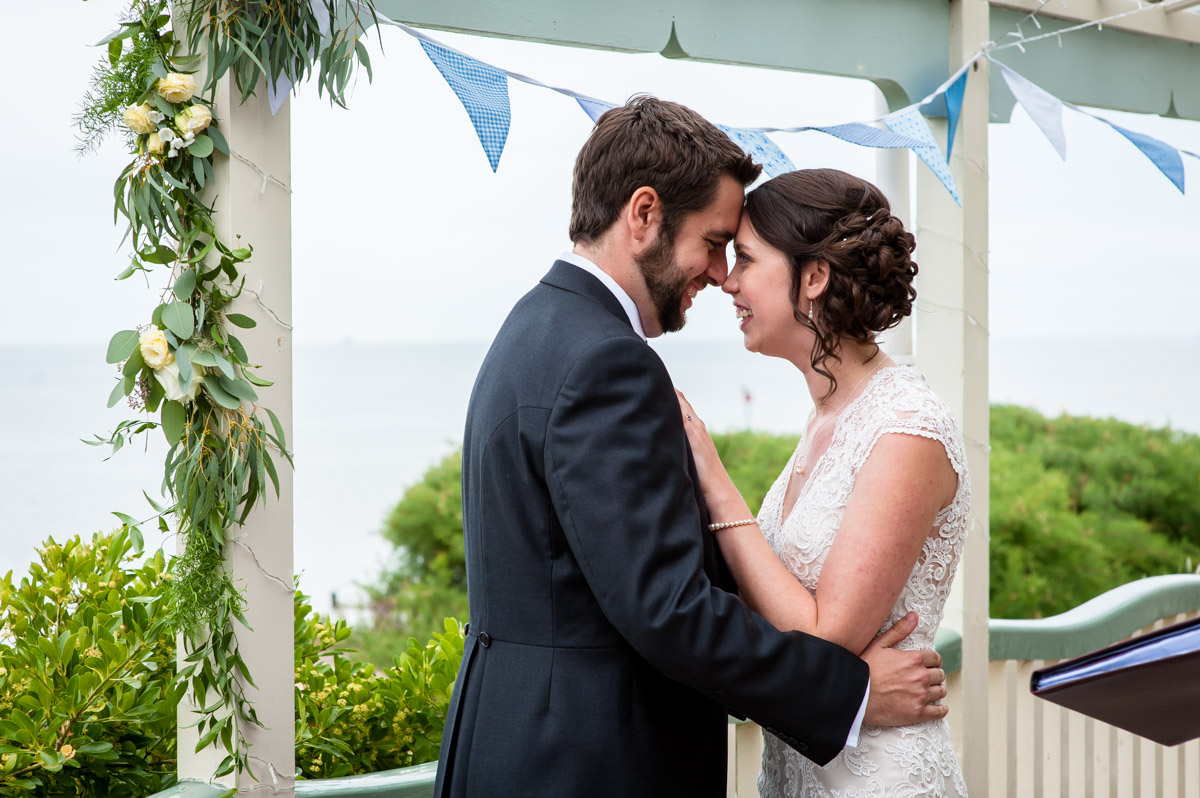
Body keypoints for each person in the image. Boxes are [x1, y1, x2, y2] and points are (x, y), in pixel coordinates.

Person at [433, 98, 949, 798]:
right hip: (584, 763)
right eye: (712, 243)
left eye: (736, 255)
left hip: (519, 738)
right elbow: (666, 610)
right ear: (643, 214)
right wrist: (848, 693)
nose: (717, 273)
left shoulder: (536, 326)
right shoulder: (605, 362)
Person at [677, 167, 970, 797]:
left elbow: (823, 638)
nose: (727, 281)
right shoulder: (826, 418)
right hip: (800, 766)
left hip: (878, 778)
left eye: (747, 260)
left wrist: (715, 480)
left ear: (814, 276)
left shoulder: (906, 428)